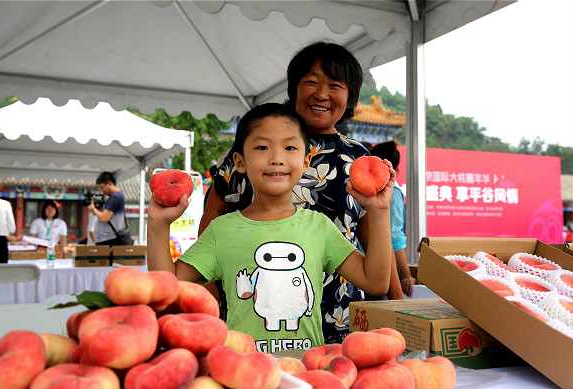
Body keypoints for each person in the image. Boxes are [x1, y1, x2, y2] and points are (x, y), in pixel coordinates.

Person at [198, 40, 403, 343]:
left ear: (350, 99)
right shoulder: (257, 144)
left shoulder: (360, 158)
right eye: (311, 82)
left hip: (339, 310)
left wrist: (397, 300)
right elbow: (215, 209)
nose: (321, 94)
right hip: (257, 307)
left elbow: (373, 236)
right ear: (294, 88)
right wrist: (208, 284)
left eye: (335, 85)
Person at [147, 103, 395, 352]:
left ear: (306, 160)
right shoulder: (220, 231)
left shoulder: (319, 226)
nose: (277, 159)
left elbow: (375, 282)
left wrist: (380, 211)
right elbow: (167, 286)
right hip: (242, 374)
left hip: (306, 377)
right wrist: (158, 225)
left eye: (289, 148)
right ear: (239, 161)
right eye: (262, 147)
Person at [370, 141, 418, 297]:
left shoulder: (359, 188)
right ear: (395, 169)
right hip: (379, 271)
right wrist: (406, 275)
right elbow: (394, 237)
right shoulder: (393, 192)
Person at [87, 172, 127, 246]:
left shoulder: (115, 197)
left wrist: (93, 209)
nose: (101, 190)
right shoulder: (115, 196)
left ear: (109, 183)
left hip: (109, 240)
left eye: (102, 187)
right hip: (108, 239)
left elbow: (104, 218)